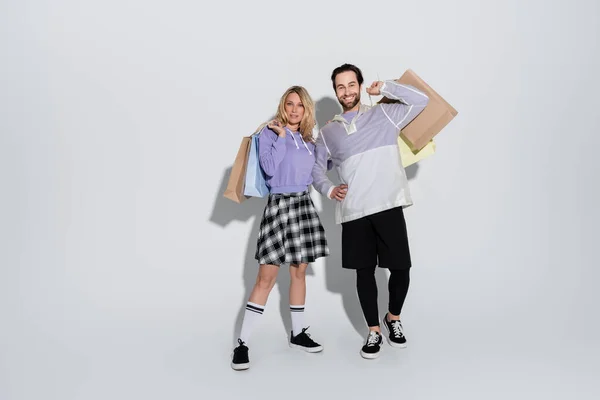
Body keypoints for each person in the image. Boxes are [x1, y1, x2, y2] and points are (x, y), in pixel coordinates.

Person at [311, 63, 429, 359]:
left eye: (352, 85)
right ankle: (374, 330)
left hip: (388, 204)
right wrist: (328, 189)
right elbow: (316, 170)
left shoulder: (384, 113)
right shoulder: (327, 132)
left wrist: (386, 88)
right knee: (364, 274)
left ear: (361, 86)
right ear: (335, 91)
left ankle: (393, 318)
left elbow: (422, 101)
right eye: (340, 86)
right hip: (354, 212)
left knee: (401, 268)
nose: (347, 91)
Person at [231, 86, 329, 371]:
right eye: (290, 104)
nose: (295, 109)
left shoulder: (309, 141)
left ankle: (297, 333)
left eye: (300, 105)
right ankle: (242, 343)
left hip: (303, 206)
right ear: (283, 106)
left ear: (307, 109)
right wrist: (283, 137)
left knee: (299, 272)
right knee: (266, 276)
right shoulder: (269, 134)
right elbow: (270, 169)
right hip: (278, 206)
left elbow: (316, 171)